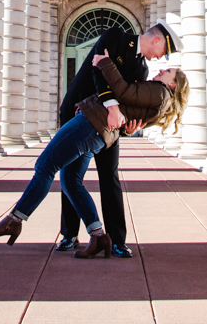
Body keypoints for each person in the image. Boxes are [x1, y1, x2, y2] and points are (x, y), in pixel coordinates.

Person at [0, 53, 189, 257]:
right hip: (98, 132)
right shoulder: (160, 98)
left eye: (168, 71)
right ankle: (98, 236)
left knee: (45, 165)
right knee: (70, 180)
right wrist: (128, 129)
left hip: (90, 124)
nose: (162, 69)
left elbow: (123, 91)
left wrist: (105, 62)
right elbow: (127, 114)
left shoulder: (159, 92)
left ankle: (14, 220)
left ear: (173, 84)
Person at [61, 21, 182, 257]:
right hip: (78, 111)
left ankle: (117, 240)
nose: (159, 58)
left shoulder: (142, 71)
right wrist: (114, 106)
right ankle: (69, 234)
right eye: (162, 52)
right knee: (71, 174)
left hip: (108, 125)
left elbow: (128, 99)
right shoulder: (115, 36)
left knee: (110, 176)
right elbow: (98, 73)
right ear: (157, 40)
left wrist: (129, 126)